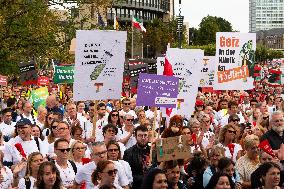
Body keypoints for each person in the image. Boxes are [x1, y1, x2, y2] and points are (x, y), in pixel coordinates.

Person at [123, 125, 150, 189]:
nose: (143, 138)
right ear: (135, 136)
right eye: (140, 135)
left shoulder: (153, 151)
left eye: (145, 135)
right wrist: (145, 178)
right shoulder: (129, 153)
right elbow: (127, 175)